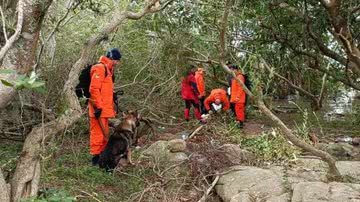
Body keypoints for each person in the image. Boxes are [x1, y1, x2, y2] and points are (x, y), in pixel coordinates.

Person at [89, 48, 121, 165]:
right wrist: (98, 107)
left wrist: (113, 96)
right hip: (99, 109)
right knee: (97, 134)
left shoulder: (108, 69)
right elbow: (94, 89)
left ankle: (103, 156)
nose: (118, 63)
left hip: (105, 109)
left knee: (104, 134)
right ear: (112, 59)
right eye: (117, 61)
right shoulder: (100, 68)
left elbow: (104, 89)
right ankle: (95, 159)